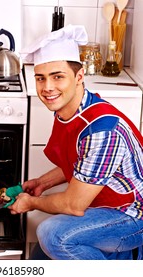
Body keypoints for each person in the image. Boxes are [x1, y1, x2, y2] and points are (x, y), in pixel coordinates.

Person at [9, 25, 143, 260]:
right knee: (41, 255)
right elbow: (82, 162)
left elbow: (74, 205)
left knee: (53, 236)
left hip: (132, 216)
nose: (47, 88)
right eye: (41, 78)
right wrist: (42, 182)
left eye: (57, 77)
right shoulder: (70, 109)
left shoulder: (101, 130)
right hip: (104, 203)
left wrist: (31, 202)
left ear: (79, 76)